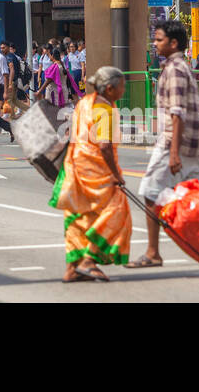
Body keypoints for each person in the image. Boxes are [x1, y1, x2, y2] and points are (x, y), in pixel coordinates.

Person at [127, 20, 199, 269]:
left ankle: (152, 252)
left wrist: (173, 153)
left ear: (173, 43)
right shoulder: (177, 66)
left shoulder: (175, 69)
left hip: (176, 144)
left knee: (150, 192)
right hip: (186, 145)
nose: (155, 44)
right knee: (193, 200)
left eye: (159, 40)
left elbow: (177, 112)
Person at [53, 66, 132, 281]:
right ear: (109, 88)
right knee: (117, 213)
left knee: (79, 217)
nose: (123, 91)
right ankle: (89, 259)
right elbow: (105, 147)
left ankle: (72, 269)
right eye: (122, 87)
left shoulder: (84, 103)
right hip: (97, 171)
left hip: (75, 168)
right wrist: (116, 175)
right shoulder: (106, 110)